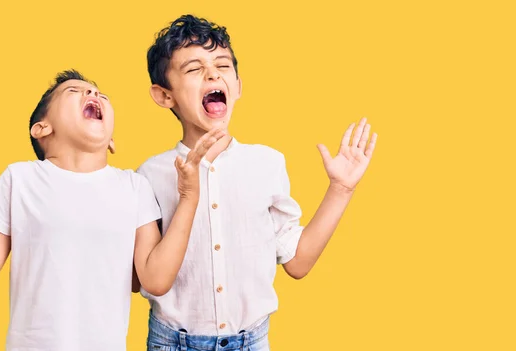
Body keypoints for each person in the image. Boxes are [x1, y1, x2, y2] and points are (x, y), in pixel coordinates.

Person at [0, 69, 224, 350]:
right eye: (75, 91)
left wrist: (189, 197)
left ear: (112, 141)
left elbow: (154, 280)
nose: (93, 94)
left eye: (100, 94)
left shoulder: (134, 187)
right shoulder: (20, 179)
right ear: (42, 128)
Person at [138, 15, 378, 351]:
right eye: (193, 69)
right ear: (164, 96)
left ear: (237, 85)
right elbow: (149, 277)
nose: (212, 73)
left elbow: (297, 262)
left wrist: (341, 190)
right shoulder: (150, 174)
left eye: (222, 65)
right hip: (173, 342)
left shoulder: (267, 163)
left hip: (251, 342)